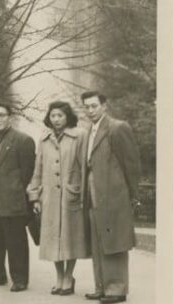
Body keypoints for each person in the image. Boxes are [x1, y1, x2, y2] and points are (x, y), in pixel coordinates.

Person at [81, 91, 140, 304]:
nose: (90, 110)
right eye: (86, 107)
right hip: (93, 194)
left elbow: (131, 164)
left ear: (104, 106)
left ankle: (117, 289)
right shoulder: (89, 131)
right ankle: (102, 286)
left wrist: (131, 195)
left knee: (114, 242)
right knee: (98, 242)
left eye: (94, 106)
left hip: (114, 196)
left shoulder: (117, 128)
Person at [27, 101, 90, 296]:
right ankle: (59, 277)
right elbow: (38, 169)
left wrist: (80, 192)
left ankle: (69, 276)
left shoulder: (80, 135)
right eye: (53, 116)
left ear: (67, 117)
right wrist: (35, 196)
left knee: (71, 238)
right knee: (52, 239)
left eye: (60, 115)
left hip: (71, 195)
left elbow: (84, 167)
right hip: (50, 198)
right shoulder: (44, 138)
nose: (56, 119)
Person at [0, 103, 36, 292]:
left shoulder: (23, 140)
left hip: (13, 199)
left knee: (16, 241)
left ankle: (20, 279)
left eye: (1, 115)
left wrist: (15, 190)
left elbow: (27, 172)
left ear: (9, 117)